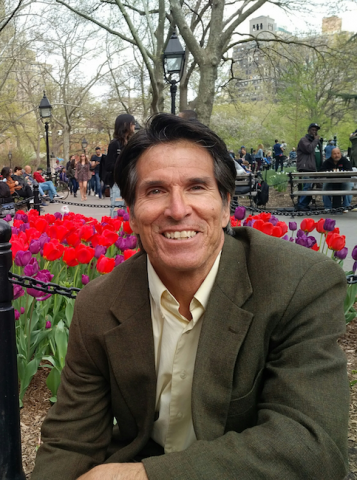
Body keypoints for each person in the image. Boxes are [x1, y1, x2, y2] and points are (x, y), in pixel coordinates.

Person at [32, 113, 349, 480]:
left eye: (197, 187)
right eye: (155, 191)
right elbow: (70, 441)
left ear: (226, 205)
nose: (178, 210)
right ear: (132, 215)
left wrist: (142, 477)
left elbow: (313, 445)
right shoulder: (100, 304)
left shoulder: (296, 284)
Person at [103, 113, 135, 215]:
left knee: (128, 212)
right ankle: (115, 230)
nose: (134, 126)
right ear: (126, 124)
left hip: (129, 182)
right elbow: (108, 165)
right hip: (117, 183)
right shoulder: (115, 144)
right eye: (133, 123)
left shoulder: (131, 142)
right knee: (117, 210)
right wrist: (124, 166)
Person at [295, 123, 321, 211]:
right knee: (306, 186)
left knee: (310, 186)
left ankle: (305, 204)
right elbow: (309, 149)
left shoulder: (313, 141)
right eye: (313, 130)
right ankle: (301, 205)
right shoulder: (304, 140)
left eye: (316, 130)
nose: (314, 132)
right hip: (305, 167)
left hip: (312, 167)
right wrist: (316, 140)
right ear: (308, 130)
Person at [320, 147, 353, 212]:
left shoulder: (345, 161)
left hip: (344, 180)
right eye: (334, 154)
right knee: (325, 187)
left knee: (348, 186)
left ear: (340, 154)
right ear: (331, 155)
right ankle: (327, 207)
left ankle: (346, 206)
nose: (336, 155)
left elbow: (349, 171)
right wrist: (331, 170)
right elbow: (321, 170)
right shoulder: (327, 161)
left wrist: (340, 170)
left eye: (338, 153)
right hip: (331, 181)